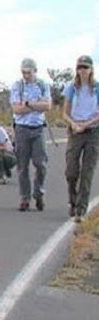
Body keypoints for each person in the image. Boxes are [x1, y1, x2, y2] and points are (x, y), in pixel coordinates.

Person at [9, 57, 52, 211]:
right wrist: (36, 105)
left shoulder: (42, 85)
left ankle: (38, 193)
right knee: (22, 166)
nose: (26, 75)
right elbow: (16, 109)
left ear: (35, 71)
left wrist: (28, 103)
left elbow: (47, 106)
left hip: (37, 128)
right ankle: (24, 198)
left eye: (28, 72)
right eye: (23, 72)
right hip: (21, 128)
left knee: (40, 164)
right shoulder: (17, 86)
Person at [63, 54, 99, 221]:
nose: (82, 70)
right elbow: (65, 112)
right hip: (75, 129)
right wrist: (73, 124)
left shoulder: (96, 88)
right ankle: (73, 200)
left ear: (91, 69)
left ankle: (81, 209)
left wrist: (86, 124)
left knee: (87, 171)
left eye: (85, 67)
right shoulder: (72, 88)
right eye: (80, 67)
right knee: (71, 171)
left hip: (92, 130)